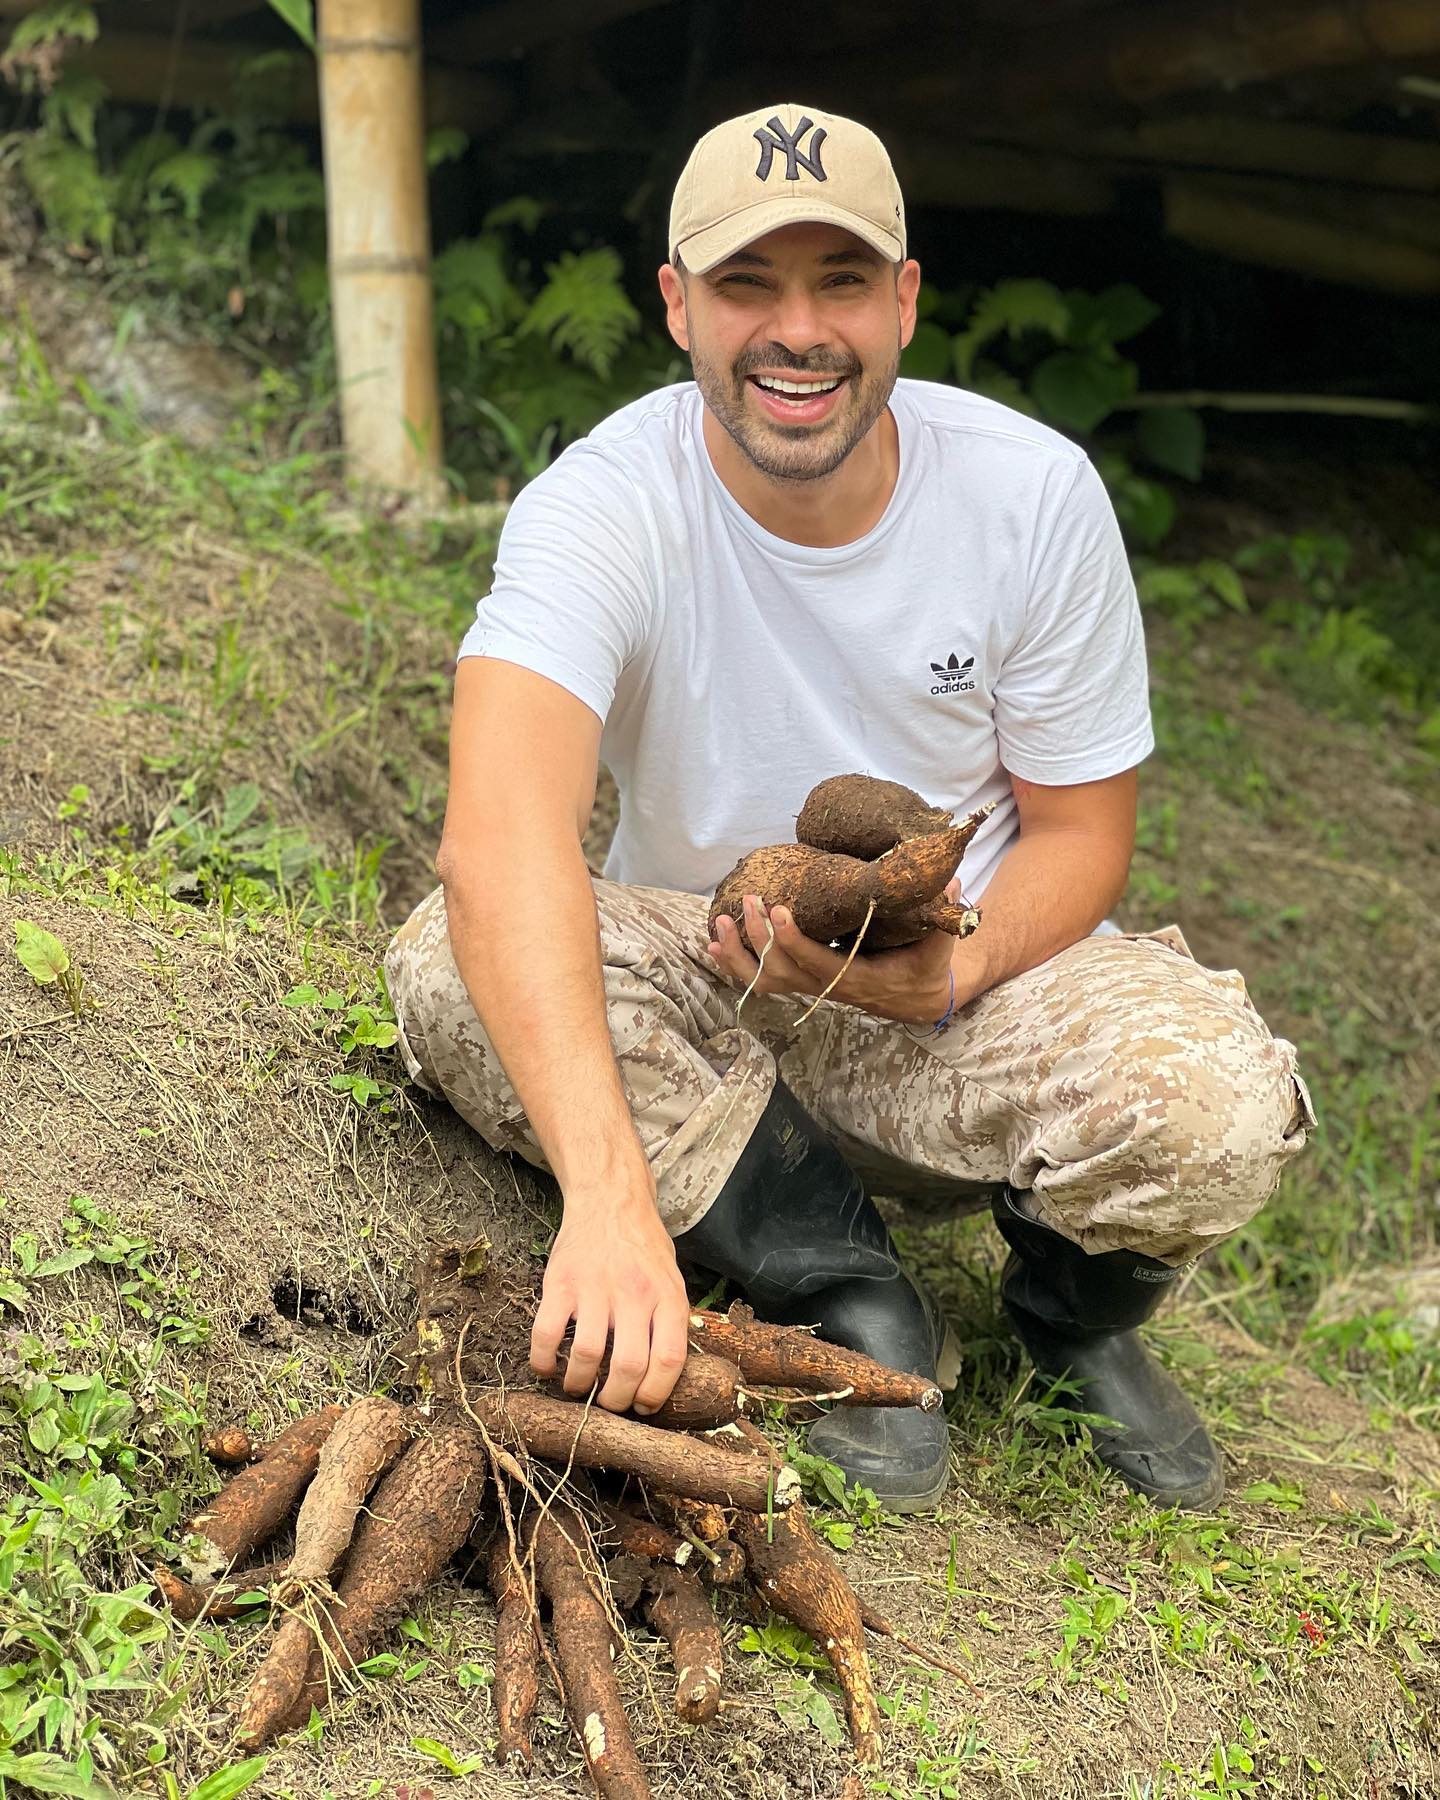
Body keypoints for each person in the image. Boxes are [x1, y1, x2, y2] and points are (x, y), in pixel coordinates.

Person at [384, 104, 1314, 1514]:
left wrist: (967, 962)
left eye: (841, 283)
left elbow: (1080, 833)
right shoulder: (602, 507)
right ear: (678, 307)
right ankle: (851, 1290)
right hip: (712, 986)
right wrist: (607, 1196)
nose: (796, 332)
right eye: (749, 285)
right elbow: (500, 835)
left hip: (963, 1007)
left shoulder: (1030, 497)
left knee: (1216, 1100)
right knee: (451, 956)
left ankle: (1070, 1321)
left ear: (905, 301)